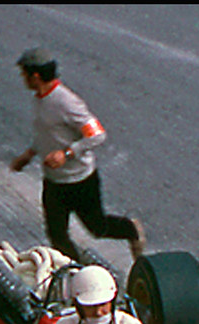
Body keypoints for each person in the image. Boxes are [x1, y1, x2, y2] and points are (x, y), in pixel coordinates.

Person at [10, 48, 147, 262]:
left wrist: (67, 154)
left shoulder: (67, 102)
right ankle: (77, 276)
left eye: (24, 74)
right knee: (57, 235)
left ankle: (131, 229)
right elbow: (47, 132)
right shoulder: (39, 98)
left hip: (80, 181)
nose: (22, 79)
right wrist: (28, 155)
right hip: (54, 182)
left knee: (97, 228)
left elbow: (98, 134)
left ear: (35, 76)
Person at [53, 265, 146, 324]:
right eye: (90, 306)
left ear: (112, 302)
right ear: (78, 305)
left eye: (103, 304)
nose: (98, 312)